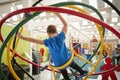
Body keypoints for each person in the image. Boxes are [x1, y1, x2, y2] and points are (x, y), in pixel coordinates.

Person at [18, 12, 88, 80]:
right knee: (74, 64)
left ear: (48, 33)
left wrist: (22, 37)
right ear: (56, 31)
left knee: (65, 74)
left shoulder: (48, 42)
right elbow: (66, 24)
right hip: (68, 60)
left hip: (59, 64)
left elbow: (34, 40)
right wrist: (57, 14)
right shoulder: (61, 37)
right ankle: (82, 72)